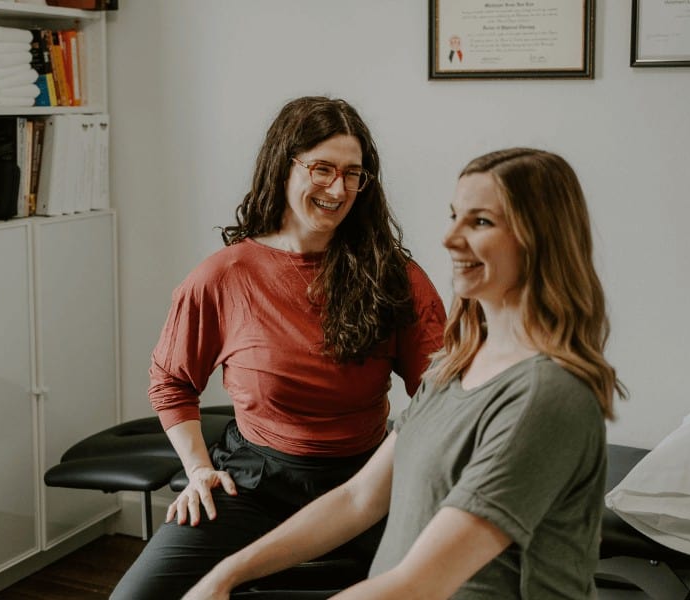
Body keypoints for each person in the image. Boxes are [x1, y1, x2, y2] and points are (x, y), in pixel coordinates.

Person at [182, 147, 627, 600]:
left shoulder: (546, 395)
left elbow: (421, 583)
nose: (450, 239)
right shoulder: (456, 365)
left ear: (540, 240)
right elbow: (359, 500)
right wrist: (225, 576)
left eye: (480, 222)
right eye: (455, 216)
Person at [110, 96, 447, 600]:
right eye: (322, 169)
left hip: (368, 481)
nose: (338, 188)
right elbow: (172, 381)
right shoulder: (224, 275)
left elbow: (442, 397)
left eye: (353, 174)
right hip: (254, 482)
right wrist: (200, 470)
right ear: (283, 165)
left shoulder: (396, 277)